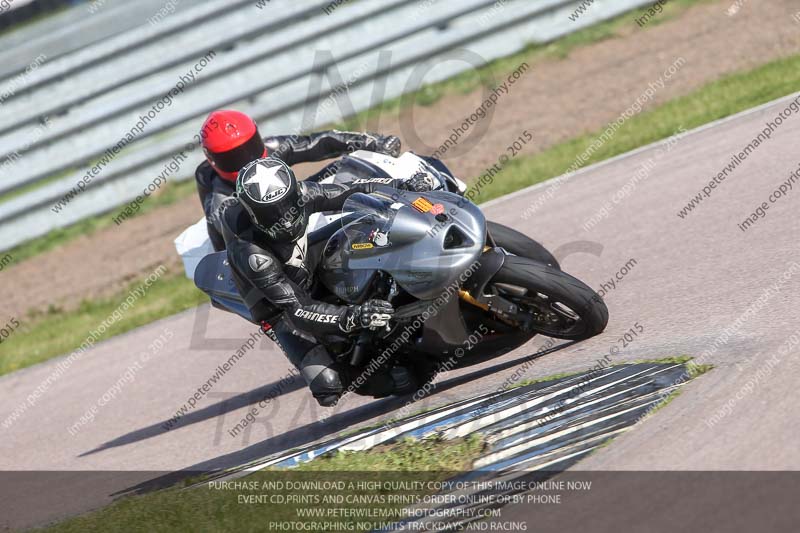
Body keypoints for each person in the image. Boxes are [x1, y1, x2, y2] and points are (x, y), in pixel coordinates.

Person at [218, 157, 433, 406]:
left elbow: (354, 188)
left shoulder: (302, 194)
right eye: (271, 214)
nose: (285, 219)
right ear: (252, 214)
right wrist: (352, 317)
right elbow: (298, 309)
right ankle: (367, 368)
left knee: (369, 229)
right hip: (279, 307)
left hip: (306, 260)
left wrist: (402, 184)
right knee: (328, 386)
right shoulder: (252, 253)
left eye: (287, 205)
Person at [195, 109, 402, 250]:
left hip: (291, 202)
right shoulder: (220, 202)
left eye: (250, 147)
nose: (249, 160)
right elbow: (235, 247)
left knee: (340, 166)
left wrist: (372, 142)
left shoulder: (272, 149)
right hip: (263, 235)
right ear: (212, 160)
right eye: (233, 157)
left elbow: (320, 142)